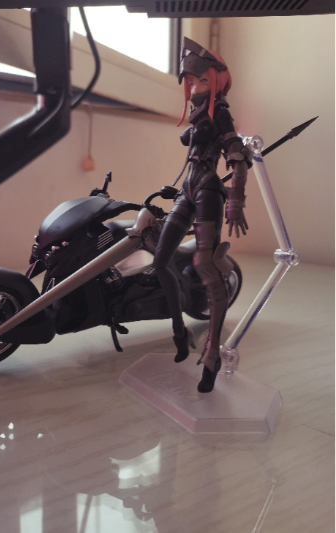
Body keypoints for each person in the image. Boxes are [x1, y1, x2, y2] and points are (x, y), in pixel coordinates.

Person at [153, 37, 251, 393]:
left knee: (205, 268)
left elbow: (237, 157)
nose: (194, 86)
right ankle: (180, 332)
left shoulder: (219, 111)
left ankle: (212, 355)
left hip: (208, 188)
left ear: (217, 80)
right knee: (161, 261)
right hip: (188, 189)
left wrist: (235, 199)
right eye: (191, 81)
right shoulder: (199, 113)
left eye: (202, 80)